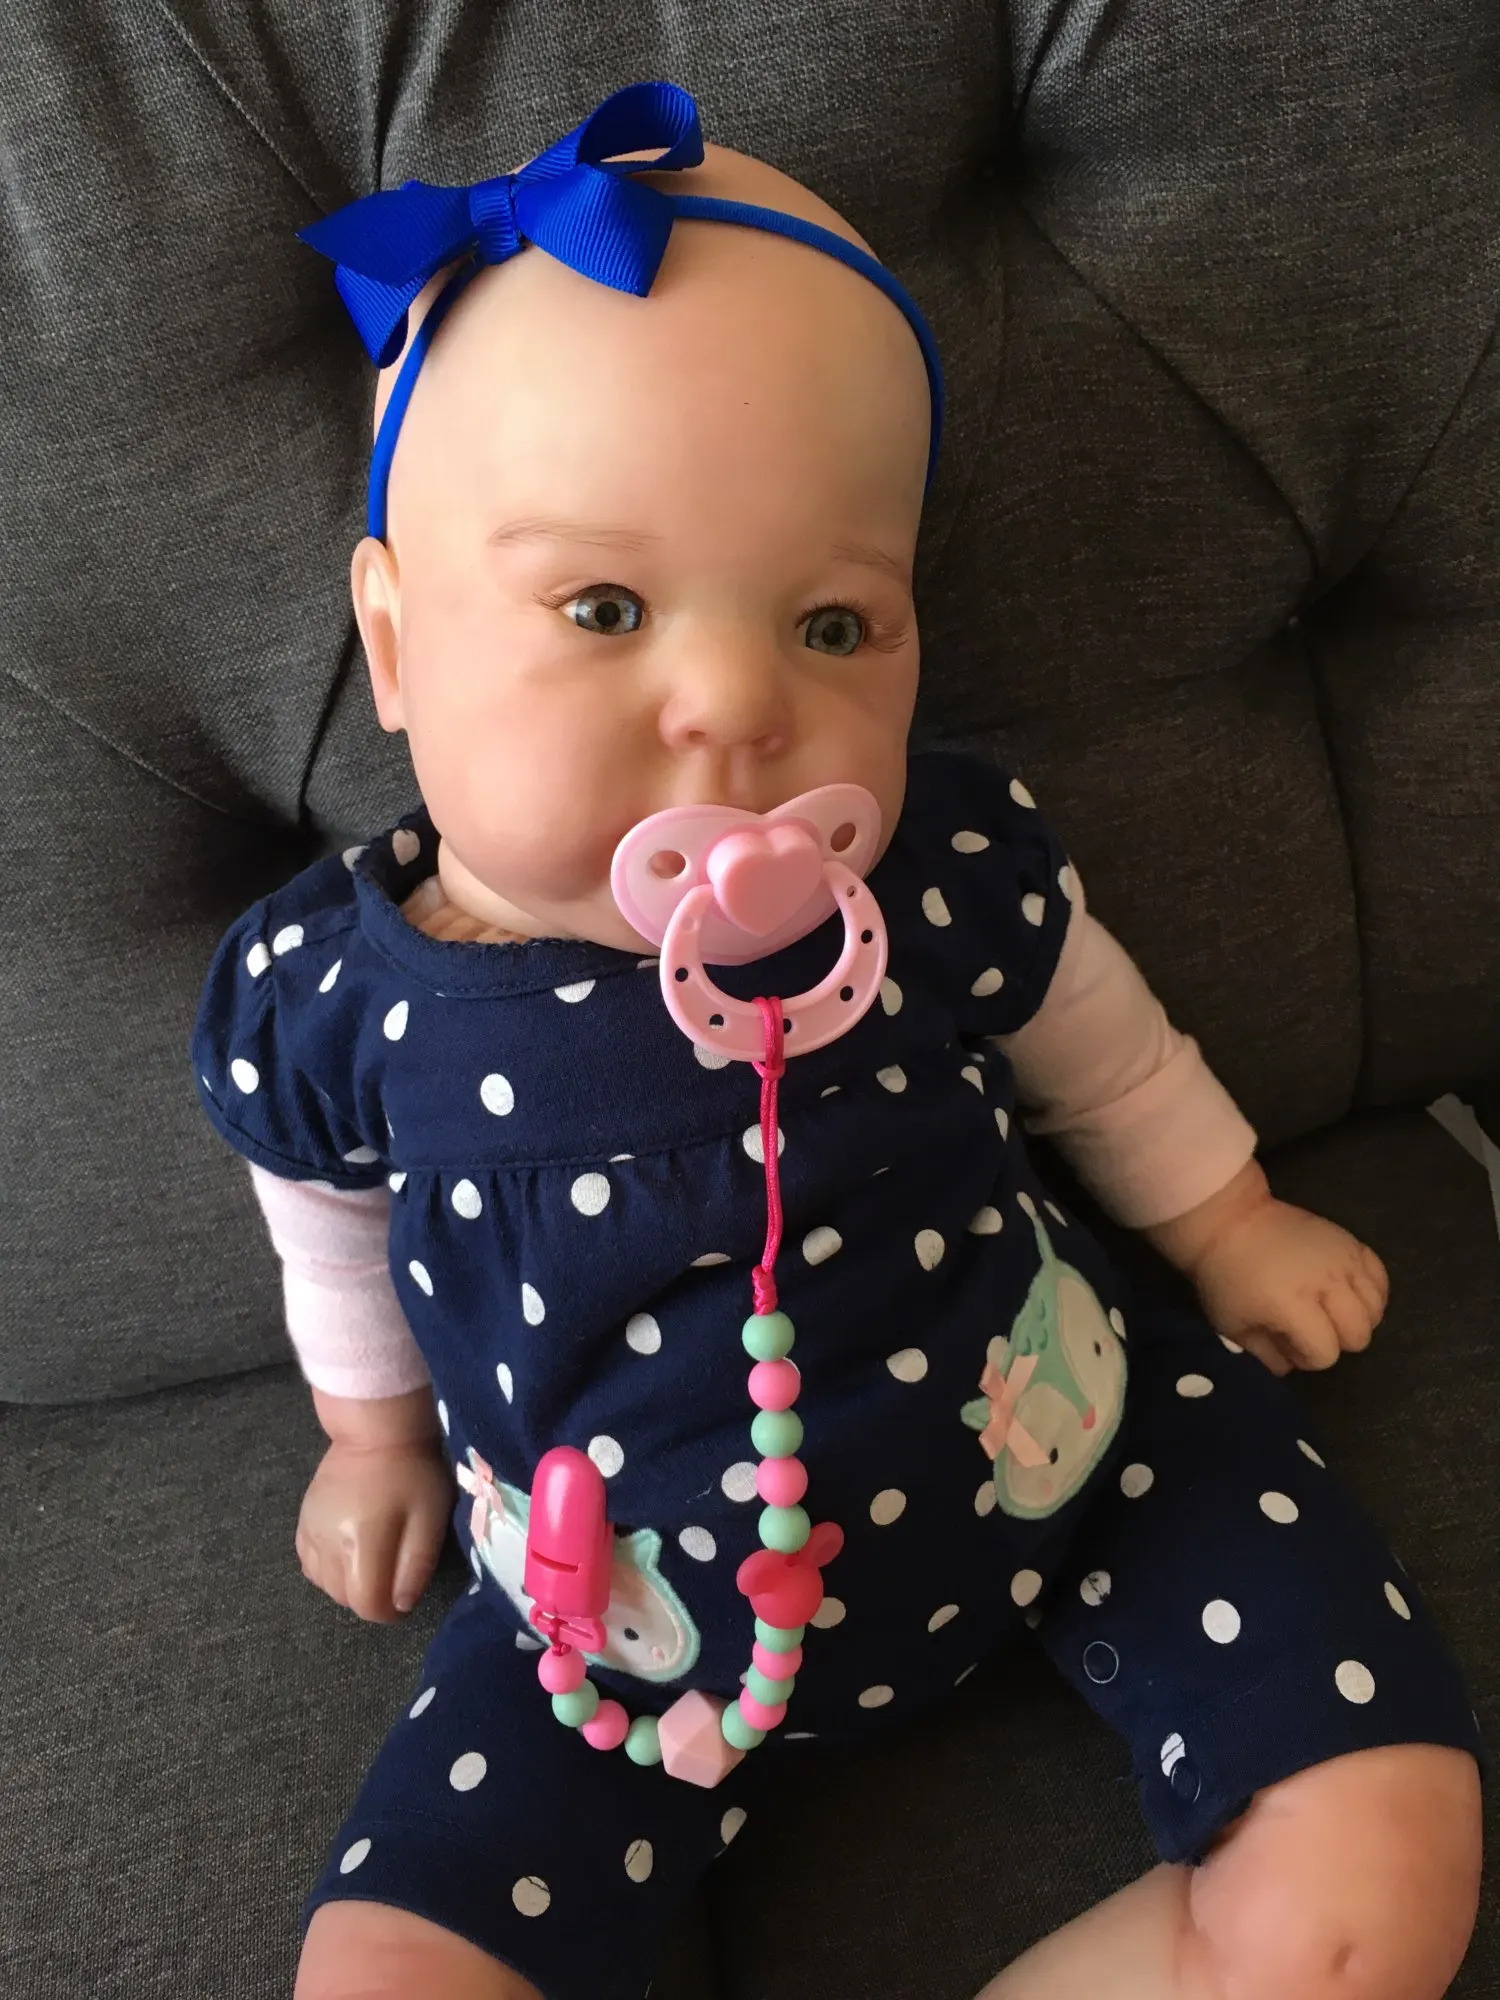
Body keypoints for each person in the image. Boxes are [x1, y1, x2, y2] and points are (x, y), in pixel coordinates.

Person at [191, 82, 1481, 2000]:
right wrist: (367, 1436)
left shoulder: (934, 868)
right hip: (610, 1622)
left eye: (831, 624)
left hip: (1079, 1453)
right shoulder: (341, 995)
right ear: (395, 646)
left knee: (1382, 1870)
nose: (734, 701)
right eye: (604, 607)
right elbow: (323, 1222)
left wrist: (1228, 1225)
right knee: (378, 1976)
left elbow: (1104, 1046)